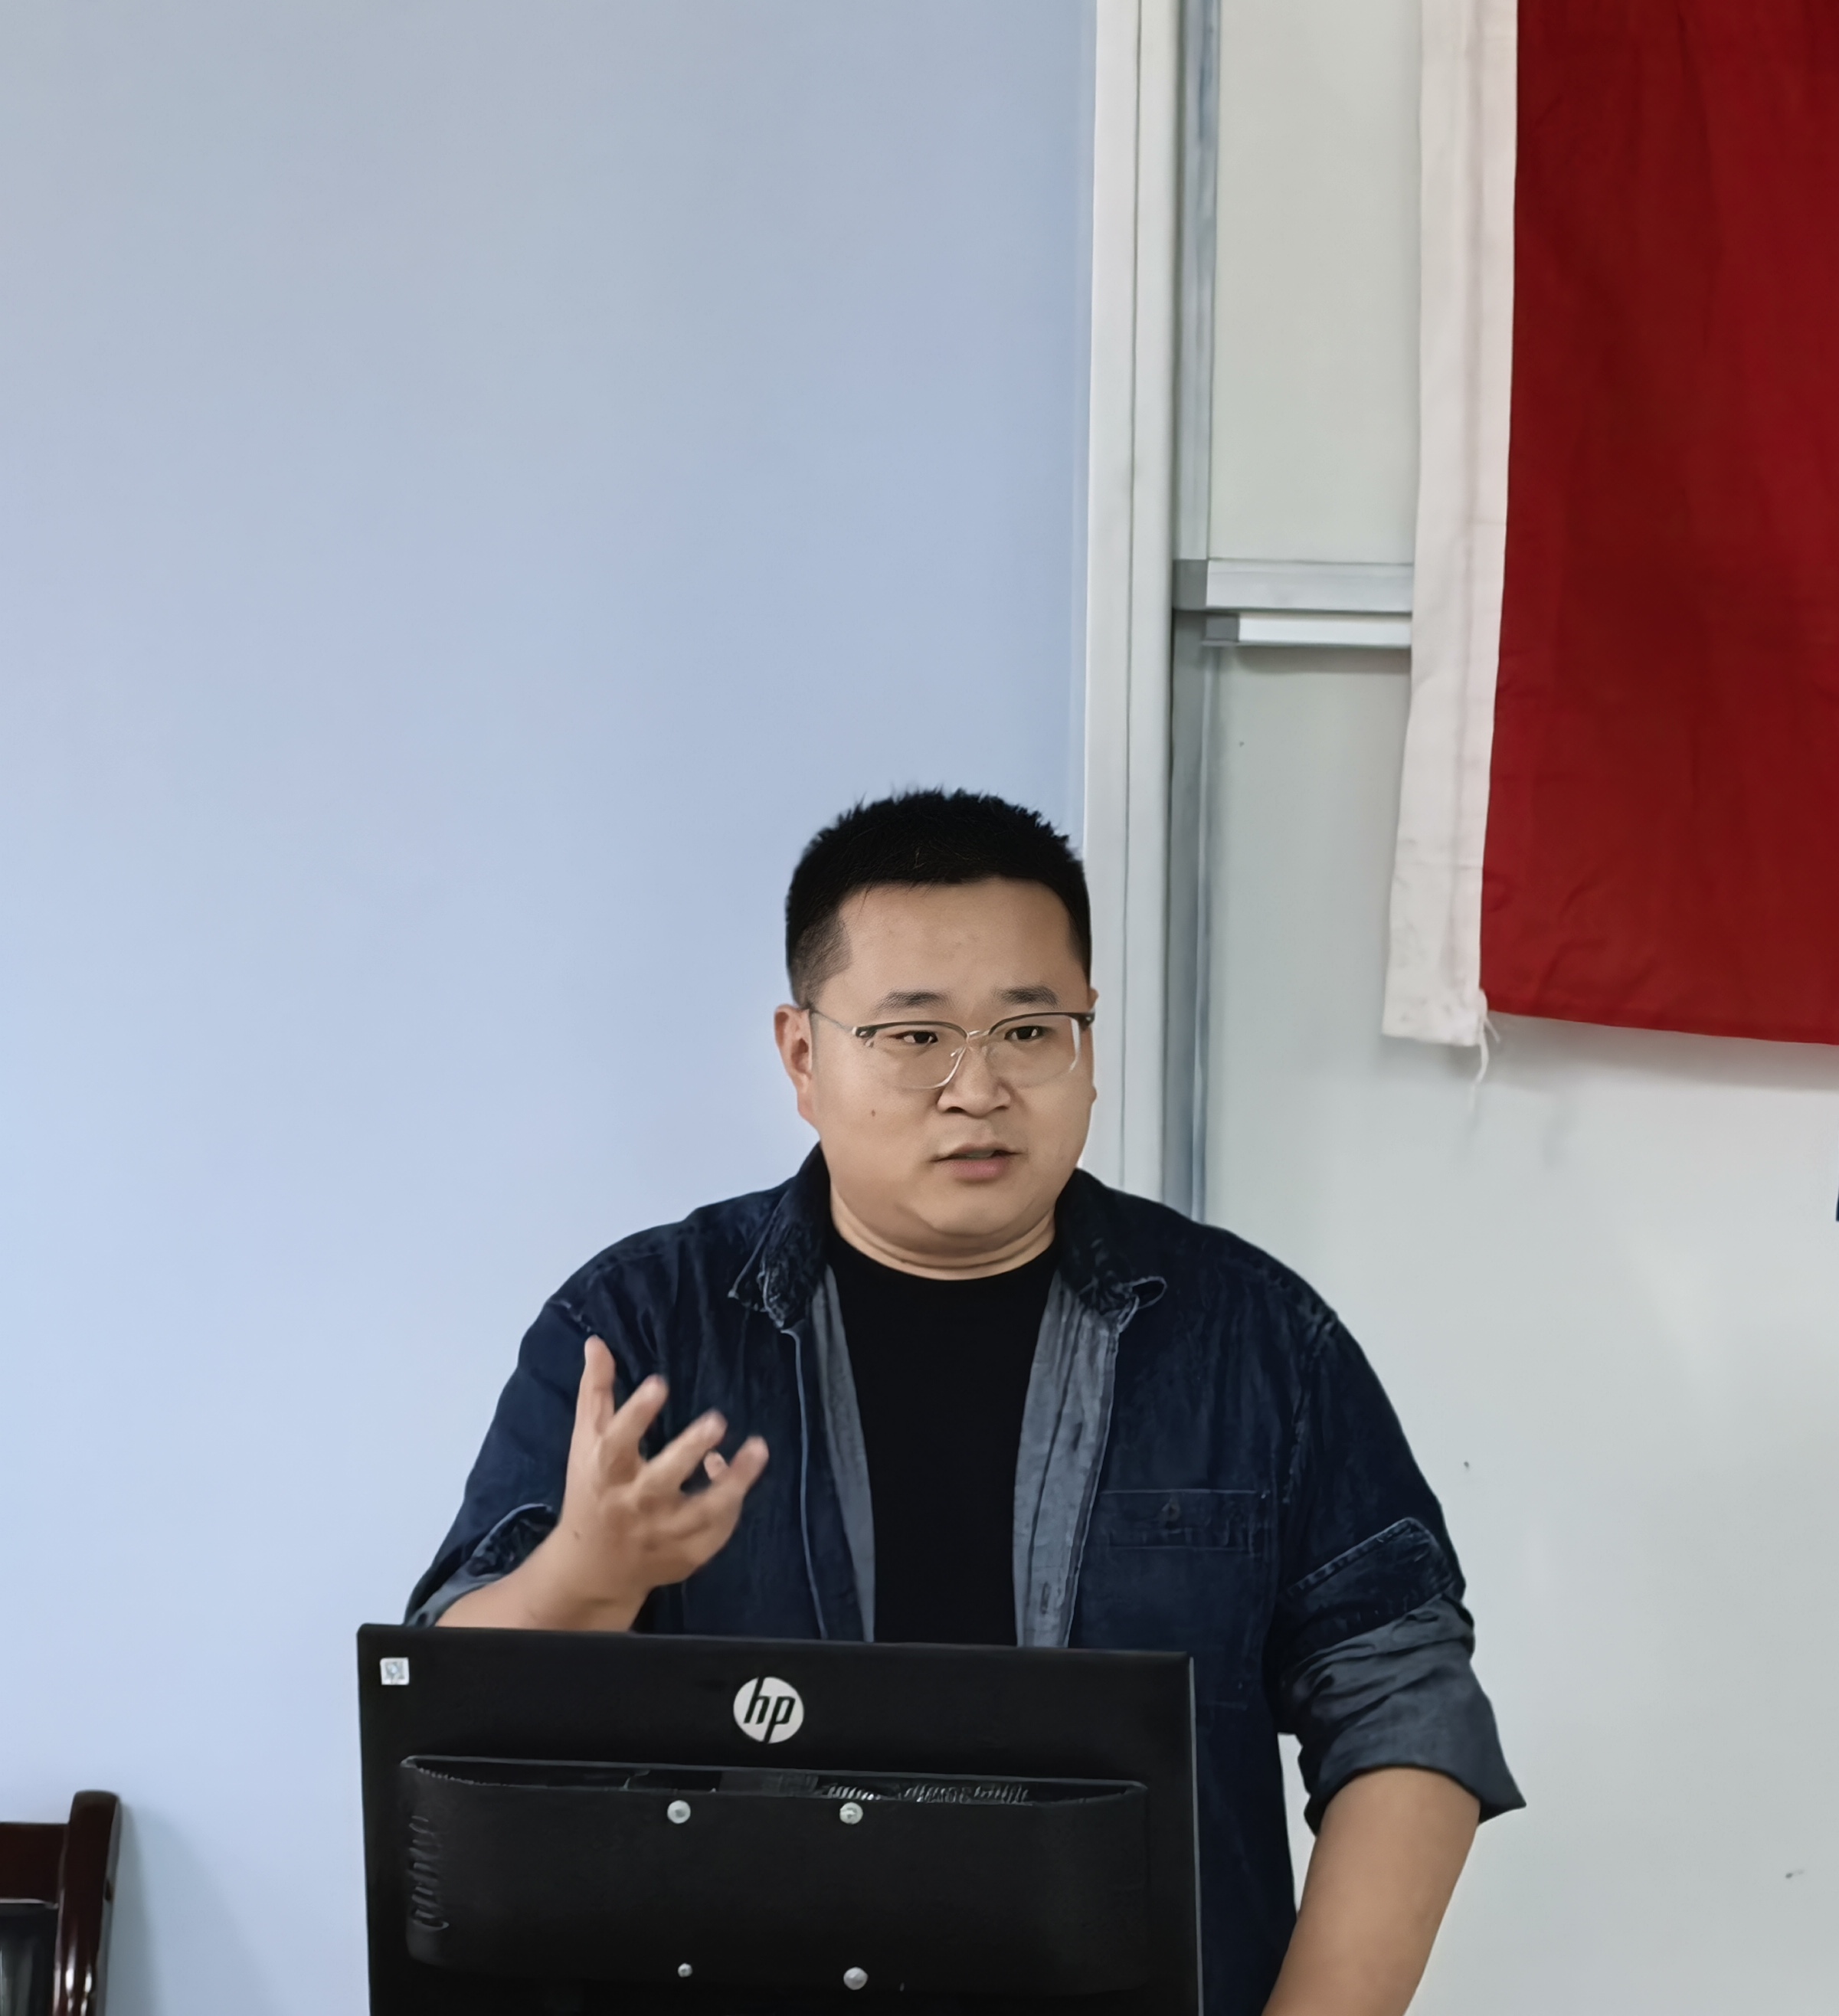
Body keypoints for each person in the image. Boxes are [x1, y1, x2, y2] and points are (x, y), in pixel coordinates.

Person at [412, 789, 1519, 2016]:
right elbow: (448, 1719)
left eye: (1030, 1030)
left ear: (1088, 1039)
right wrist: (585, 1576)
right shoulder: (642, 1328)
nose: (977, 1088)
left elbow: (1405, 1707)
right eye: (915, 1036)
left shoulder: (1257, 1342)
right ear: (803, 1056)